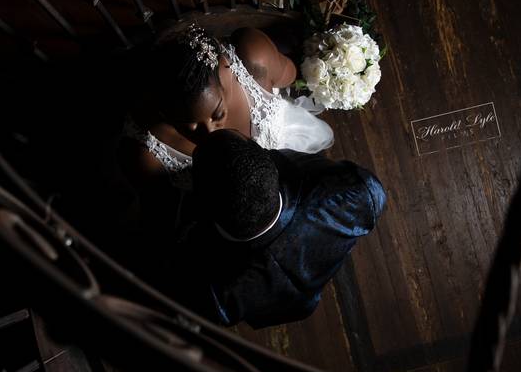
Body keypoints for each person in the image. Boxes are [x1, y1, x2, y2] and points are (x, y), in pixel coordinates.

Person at [178, 129, 386, 328]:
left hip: (282, 306)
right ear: (271, 165)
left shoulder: (220, 294)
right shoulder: (354, 194)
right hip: (309, 281)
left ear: (202, 203)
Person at [118, 23, 334, 194]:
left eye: (218, 114)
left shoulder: (253, 58)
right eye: (189, 127)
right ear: (163, 112)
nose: (212, 134)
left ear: (224, 69)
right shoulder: (146, 157)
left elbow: (289, 75)